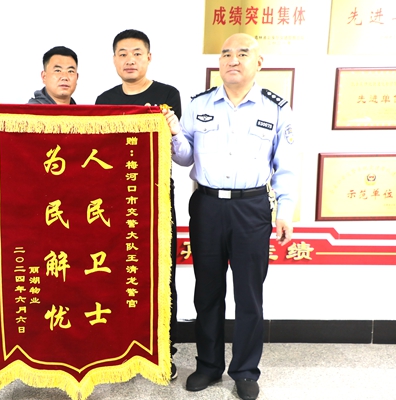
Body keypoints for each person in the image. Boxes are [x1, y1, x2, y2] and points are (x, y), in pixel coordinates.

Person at [166, 33, 298, 400]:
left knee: (248, 294)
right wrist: (175, 133)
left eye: (242, 53)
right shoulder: (200, 104)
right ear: (219, 63)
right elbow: (184, 157)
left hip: (251, 208)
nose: (233, 60)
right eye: (226, 54)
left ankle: (245, 370)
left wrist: (285, 210)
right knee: (208, 291)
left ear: (259, 63)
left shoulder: (275, 108)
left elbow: (286, 164)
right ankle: (209, 366)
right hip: (207, 206)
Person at [95, 28, 182, 381]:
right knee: (117, 273)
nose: (129, 60)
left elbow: (176, 148)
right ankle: (119, 347)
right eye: (123, 54)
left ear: (149, 57)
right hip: (114, 201)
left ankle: (163, 350)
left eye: (136, 53)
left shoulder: (167, 96)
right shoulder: (103, 100)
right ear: (114, 59)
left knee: (162, 273)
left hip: (156, 198)